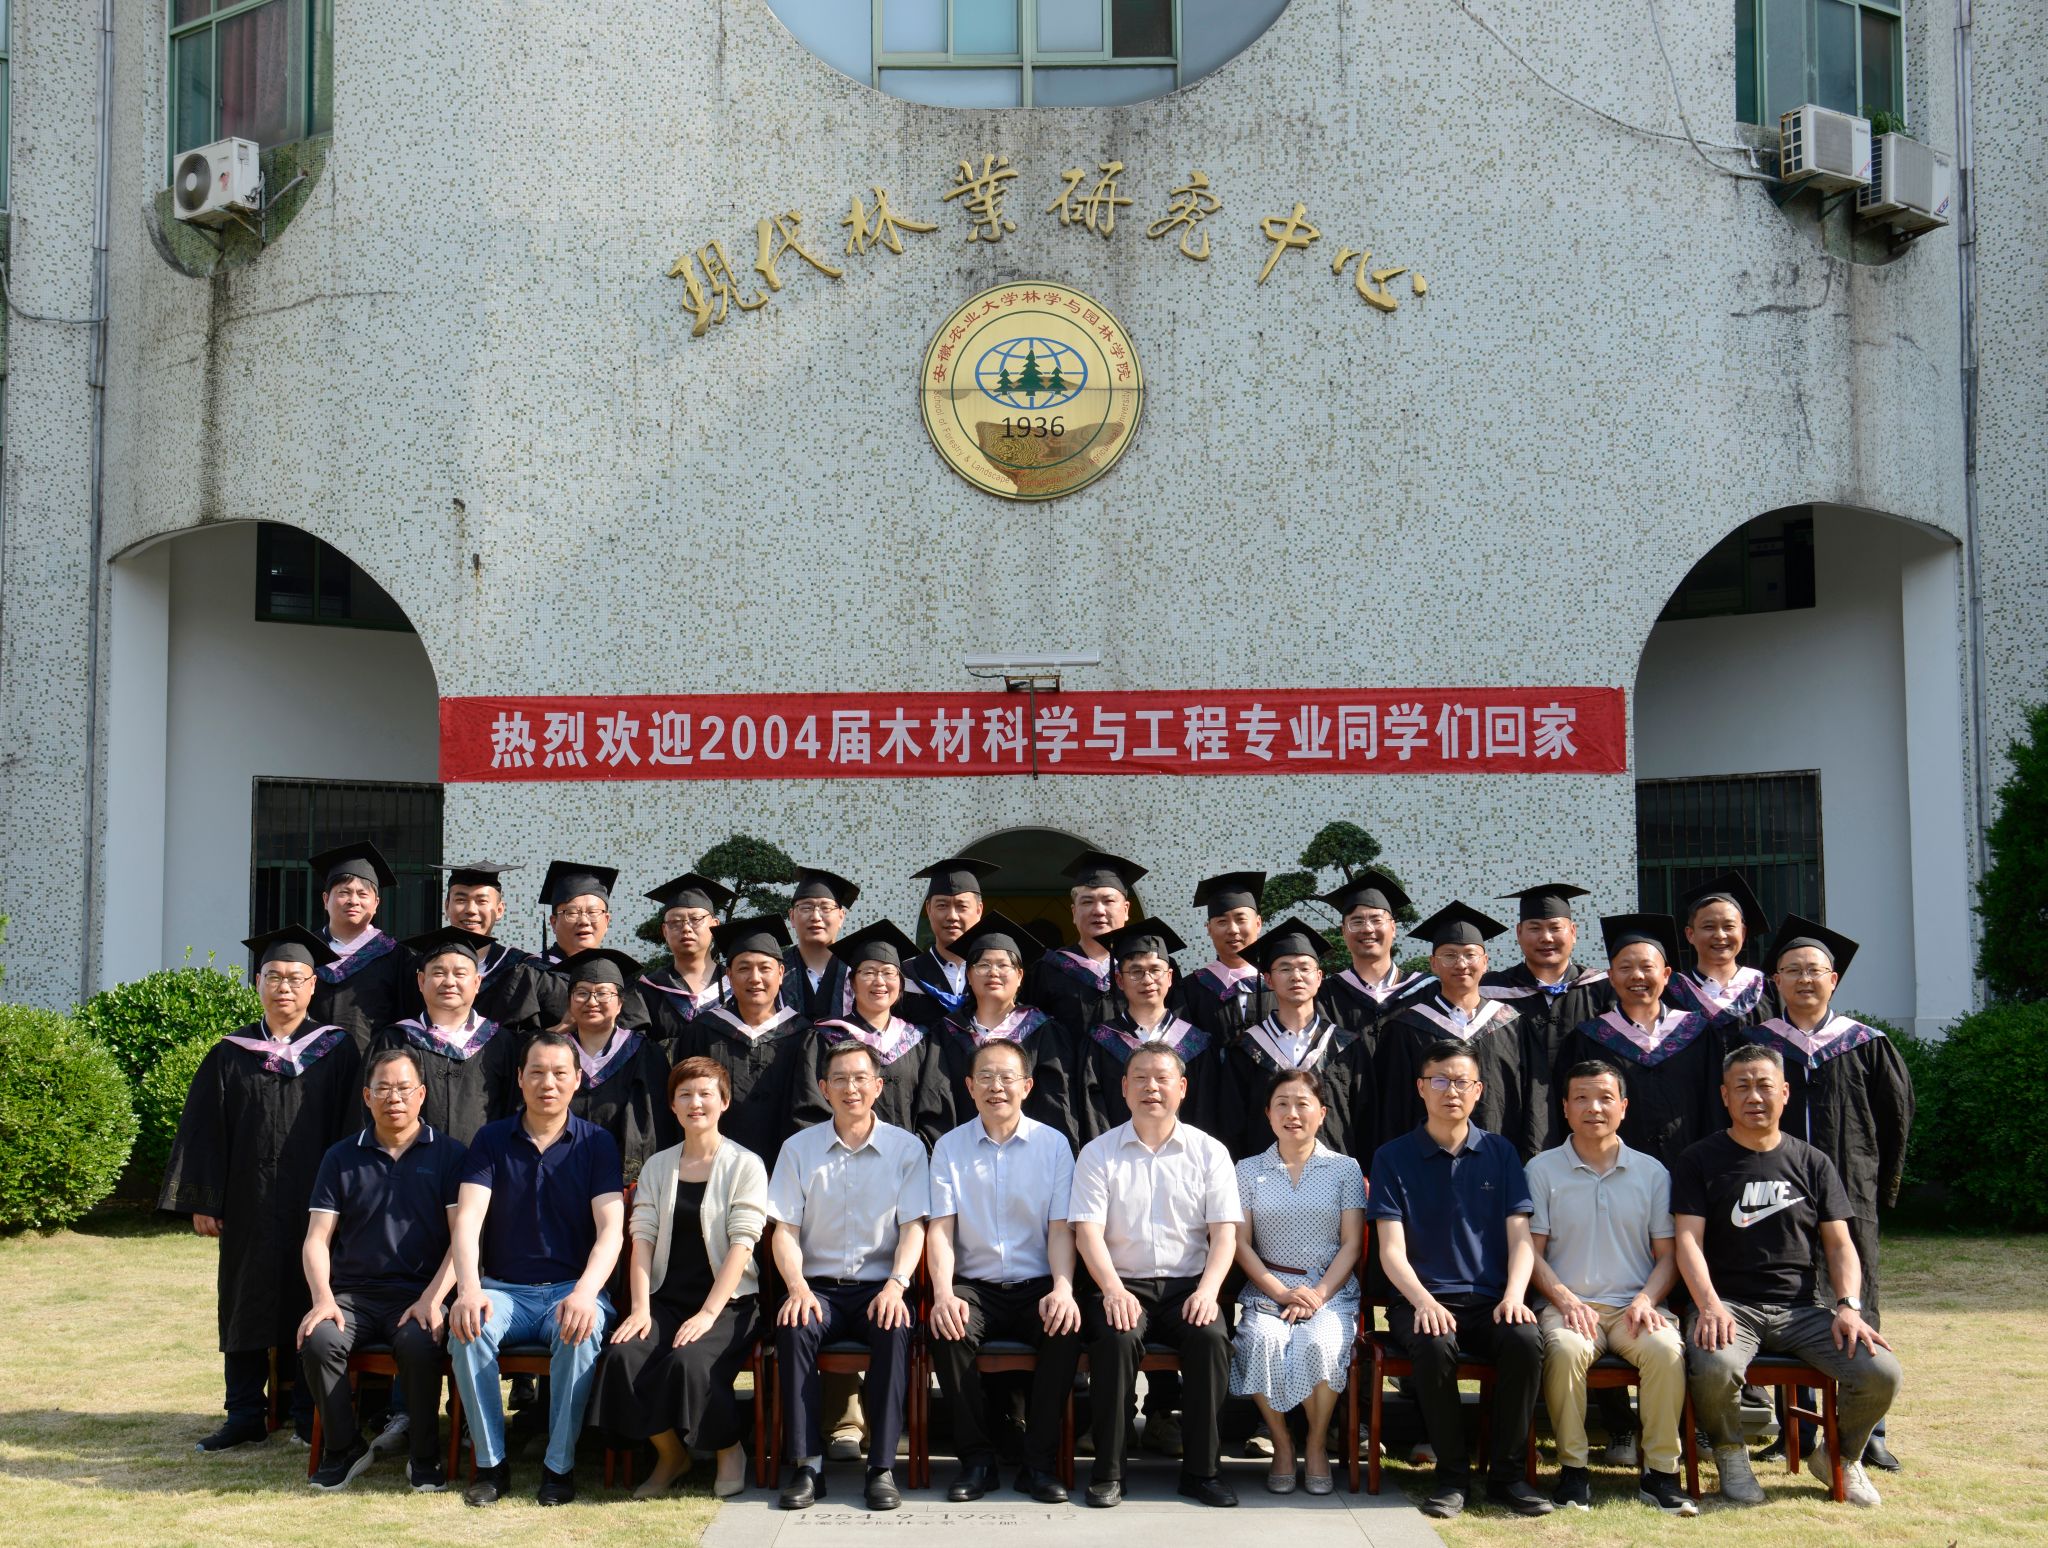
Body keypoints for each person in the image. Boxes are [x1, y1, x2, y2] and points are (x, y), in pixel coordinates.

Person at [1672, 1043, 1903, 1510]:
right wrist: (1709, 1305)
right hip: (1729, 1305)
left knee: (1881, 1371)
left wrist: (1848, 1306)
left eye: (1764, 1086)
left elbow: (1840, 1245)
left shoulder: (1813, 1162)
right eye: (1742, 1087)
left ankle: (1840, 1456)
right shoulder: (1699, 1160)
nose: (1754, 1097)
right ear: (1724, 1096)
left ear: (1785, 1093)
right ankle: (1731, 1453)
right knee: (1715, 1366)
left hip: (1801, 1310)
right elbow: (1687, 1241)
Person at [161, 925, 363, 1450]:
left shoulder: (337, 1050)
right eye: (274, 977)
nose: (284, 988)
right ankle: (245, 1413)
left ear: (313, 986)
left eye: (296, 978)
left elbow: (352, 1129)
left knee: (311, 1296)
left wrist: (350, 1197)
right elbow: (205, 1129)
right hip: (248, 1200)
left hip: (316, 1203)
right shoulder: (231, 1052)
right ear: (257, 983)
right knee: (244, 1300)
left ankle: (306, 1413)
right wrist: (204, 1200)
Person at [1750, 916, 1915, 1472]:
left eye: (1814, 971)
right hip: (1776, 1191)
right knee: (1788, 1297)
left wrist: (1877, 1186)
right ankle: (1792, 1428)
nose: (1804, 979)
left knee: (1856, 1296)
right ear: (1776, 980)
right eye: (1792, 970)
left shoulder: (1866, 1043)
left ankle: (1867, 1433)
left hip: (1850, 1189)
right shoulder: (1758, 1046)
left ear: (1833, 979)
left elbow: (1895, 1120)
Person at [1368, 1041, 1552, 1520]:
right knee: (1434, 1342)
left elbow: (1521, 1238)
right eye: (1440, 1080)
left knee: (1525, 1338)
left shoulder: (1501, 1153)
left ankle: (1508, 1476)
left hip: (1491, 1300)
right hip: (1420, 1300)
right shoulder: (1393, 1157)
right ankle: (1451, 1478)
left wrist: (1515, 1295)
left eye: (1461, 1082)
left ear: (1478, 1091)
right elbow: (1390, 1250)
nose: (1451, 1091)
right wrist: (1424, 1302)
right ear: (1421, 1088)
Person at [447, 1031, 626, 1507]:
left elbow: (611, 1229)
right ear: (521, 1078)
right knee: (468, 1328)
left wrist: (586, 1293)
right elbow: (468, 1221)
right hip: (504, 1290)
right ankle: (491, 1465)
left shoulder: (597, 1143)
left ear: (577, 1080)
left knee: (581, 1330)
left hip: (571, 1288)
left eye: (560, 1073)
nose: (549, 1083)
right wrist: (468, 1290)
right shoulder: (490, 1140)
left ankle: (558, 1466)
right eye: (538, 1072)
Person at [1068, 1043, 1243, 1509]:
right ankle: (1108, 1472)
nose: (1152, 1087)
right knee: (1116, 1338)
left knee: (1211, 1339)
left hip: (1190, 1287)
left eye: (1162, 1078)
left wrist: (1209, 1291)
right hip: (1122, 1284)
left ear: (1182, 1088)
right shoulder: (1098, 1153)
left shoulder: (1209, 1152)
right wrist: (1112, 1290)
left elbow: (1224, 1234)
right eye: (1141, 1078)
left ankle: (1203, 1472)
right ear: (1124, 1088)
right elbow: (1087, 1233)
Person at [1524, 1059, 1696, 1516]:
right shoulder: (1540, 1170)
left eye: (1605, 1098)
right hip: (1567, 1304)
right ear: (1565, 1107)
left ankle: (1661, 1473)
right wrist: (1564, 1299)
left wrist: (1646, 1299)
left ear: (1623, 1106)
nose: (1593, 1108)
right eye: (1581, 1098)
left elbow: (1668, 1255)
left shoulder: (1652, 1172)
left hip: (1634, 1307)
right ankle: (1573, 1470)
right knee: (1564, 1350)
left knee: (1666, 1351)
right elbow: (1530, 1253)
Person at [591, 1056, 768, 1500]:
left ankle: (729, 1449)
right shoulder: (658, 1166)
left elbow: (743, 1244)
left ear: (724, 1101)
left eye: (706, 1093)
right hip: (666, 1300)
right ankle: (671, 1455)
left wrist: (708, 1314)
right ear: (671, 1105)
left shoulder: (745, 1164)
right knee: (623, 1355)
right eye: (684, 1094)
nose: (695, 1103)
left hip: (729, 1304)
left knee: (689, 1361)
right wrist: (640, 1309)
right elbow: (641, 1239)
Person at [767, 1041, 930, 1512]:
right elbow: (784, 1230)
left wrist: (897, 1285)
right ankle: (808, 1466)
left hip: (882, 1287)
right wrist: (797, 1287)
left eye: (860, 1078)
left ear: (878, 1086)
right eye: (839, 1079)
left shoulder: (906, 1149)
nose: (850, 1088)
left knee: (895, 1327)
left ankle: (881, 1467)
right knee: (795, 1324)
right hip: (817, 1288)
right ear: (823, 1088)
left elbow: (913, 1228)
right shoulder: (798, 1149)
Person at [298, 1046, 467, 1491]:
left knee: (420, 1341)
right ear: (367, 1097)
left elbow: (462, 1241)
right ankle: (343, 1446)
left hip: (419, 1294)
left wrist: (432, 1299)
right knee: (319, 1340)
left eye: (404, 1089)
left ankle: (424, 1455)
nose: (394, 1098)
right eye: (384, 1089)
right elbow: (316, 1238)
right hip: (352, 1296)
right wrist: (323, 1299)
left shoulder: (449, 1155)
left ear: (422, 1094)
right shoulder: (341, 1157)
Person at [927, 1038, 1084, 1504]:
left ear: (1027, 1086)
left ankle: (1038, 1465)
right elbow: (941, 1229)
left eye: (1007, 1078)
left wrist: (1062, 1288)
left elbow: (1061, 1229)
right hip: (975, 1287)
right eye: (986, 1078)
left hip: (1038, 1284)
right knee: (948, 1329)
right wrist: (943, 1293)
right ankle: (976, 1461)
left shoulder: (1053, 1146)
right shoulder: (949, 1148)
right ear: (970, 1087)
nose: (997, 1087)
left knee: (1064, 1328)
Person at [1230, 1068, 1366, 1496]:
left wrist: (1318, 1295)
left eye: (1302, 1104)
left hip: (1330, 1291)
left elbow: (1352, 1243)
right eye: (1282, 1104)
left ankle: (1316, 1441)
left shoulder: (1344, 1169)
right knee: (1262, 1342)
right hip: (1269, 1290)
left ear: (1322, 1113)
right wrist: (1280, 1292)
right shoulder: (1247, 1170)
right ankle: (1282, 1443)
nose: (1292, 1113)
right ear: (1268, 1114)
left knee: (1318, 1344)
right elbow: (1240, 1243)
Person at [1550, 914, 1724, 1169]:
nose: (1637, 976)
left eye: (1647, 967)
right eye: (1625, 968)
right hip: (1613, 1173)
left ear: (1666, 975)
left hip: (1691, 1170)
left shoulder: (1698, 1033)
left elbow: (1716, 1108)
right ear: (1611, 977)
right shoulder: (1589, 1038)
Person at [1375, 903, 1534, 1157]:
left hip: (1499, 1158)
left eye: (1470, 955)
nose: (1461, 964)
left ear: (1485, 962)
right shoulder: (1406, 1028)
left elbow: (1532, 1100)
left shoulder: (1513, 1024)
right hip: (1426, 1162)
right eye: (1449, 956)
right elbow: (1394, 1106)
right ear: (1433, 964)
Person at [669, 916, 825, 1166]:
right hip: (714, 1167)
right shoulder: (702, 1032)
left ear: (781, 974)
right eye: (743, 968)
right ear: (729, 975)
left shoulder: (804, 1036)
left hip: (786, 1170)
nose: (755, 978)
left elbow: (811, 1113)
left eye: (765, 968)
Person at [916, 910, 1077, 1147]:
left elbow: (1057, 1102)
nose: (993, 972)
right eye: (983, 965)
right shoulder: (946, 1033)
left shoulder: (1043, 1031)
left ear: (1019, 976)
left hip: (1031, 1154)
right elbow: (935, 1100)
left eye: (1003, 965)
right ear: (969, 975)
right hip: (962, 1155)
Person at [1225, 918, 1373, 1160]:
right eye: (1285, 969)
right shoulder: (1246, 1049)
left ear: (1319, 977)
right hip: (1263, 1176)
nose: (1296, 976)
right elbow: (1232, 1123)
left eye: (1305, 968)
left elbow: (1366, 1119)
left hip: (1337, 1174)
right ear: (1269, 980)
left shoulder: (1346, 1046)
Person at [1482, 884, 1614, 1154]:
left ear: (1573, 932)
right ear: (1519, 933)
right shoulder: (1491, 992)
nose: (1546, 937)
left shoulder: (1602, 989)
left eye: (1555, 928)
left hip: (1589, 1123)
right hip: (1514, 1122)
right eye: (1534, 928)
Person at [1075, 917, 1224, 1145]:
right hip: (1117, 1155)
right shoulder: (1101, 1042)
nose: (1147, 980)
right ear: (1120, 980)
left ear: (1170, 977)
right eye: (1136, 972)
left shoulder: (1195, 1042)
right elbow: (1092, 1110)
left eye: (1156, 970)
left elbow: (1206, 1112)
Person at [369, 927, 519, 1143]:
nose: (449, 982)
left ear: (476, 983)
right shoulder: (395, 1040)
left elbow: (513, 1111)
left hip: (482, 1162)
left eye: (460, 974)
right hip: (410, 1161)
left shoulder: (500, 1042)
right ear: (421, 981)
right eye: (439, 973)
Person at [554, 947, 678, 1183]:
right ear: (569, 1001)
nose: (592, 1001)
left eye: (603, 993)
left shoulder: (645, 1053)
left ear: (620, 1003)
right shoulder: (552, 1054)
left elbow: (659, 1124)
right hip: (560, 1176)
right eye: (581, 993)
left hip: (625, 1185)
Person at [812, 921, 932, 1136]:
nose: (879, 981)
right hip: (842, 1152)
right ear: (852, 983)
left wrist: (917, 1151)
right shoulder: (826, 1038)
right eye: (868, 972)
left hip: (908, 1154)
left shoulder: (918, 1040)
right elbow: (812, 1106)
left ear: (900, 984)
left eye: (888, 973)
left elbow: (932, 1109)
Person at [1022, 850, 1144, 1040]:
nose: (1098, 910)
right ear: (1073, 912)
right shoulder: (1047, 970)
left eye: (1108, 901)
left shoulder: (1149, 969)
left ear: (1126, 909)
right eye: (1087, 902)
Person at [306, 842, 415, 1045]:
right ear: (325, 899)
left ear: (376, 904)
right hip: (309, 1061)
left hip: (373, 1061)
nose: (353, 900)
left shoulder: (396, 956)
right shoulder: (306, 950)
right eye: (344, 892)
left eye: (362, 894)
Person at [533, 861, 653, 1030]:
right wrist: (562, 1029)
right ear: (553, 922)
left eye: (593, 912)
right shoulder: (532, 973)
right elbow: (514, 1041)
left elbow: (636, 1037)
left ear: (607, 920)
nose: (584, 921)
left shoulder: (621, 976)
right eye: (571, 912)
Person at [1314, 871, 1434, 1039]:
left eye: (1376, 920)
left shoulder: (1429, 991)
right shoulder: (1324, 995)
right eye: (1357, 922)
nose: (1367, 929)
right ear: (1343, 931)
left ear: (1393, 928)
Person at [433, 862, 547, 1031]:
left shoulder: (523, 968)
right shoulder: (423, 967)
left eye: (482, 901)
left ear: (499, 910)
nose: (471, 910)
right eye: (461, 900)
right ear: (446, 907)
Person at [1663, 872, 1776, 1033]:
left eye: (1729, 926)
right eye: (1709, 927)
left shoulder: (1766, 991)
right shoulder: (1670, 993)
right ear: (1690, 934)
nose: (1720, 935)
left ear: (1743, 932)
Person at [639, 872, 737, 1049]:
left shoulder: (736, 985)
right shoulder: (647, 991)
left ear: (714, 926)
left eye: (695, 919)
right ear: (665, 931)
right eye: (676, 921)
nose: (686, 928)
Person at [901, 856, 997, 1028]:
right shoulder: (906, 976)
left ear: (979, 910)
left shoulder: (997, 975)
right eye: (942, 906)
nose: (952, 916)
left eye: (962, 906)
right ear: (928, 909)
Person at [1179, 871, 1273, 1044]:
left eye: (1240, 920)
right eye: (1222, 922)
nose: (1233, 930)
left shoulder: (1276, 983)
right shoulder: (1189, 989)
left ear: (1258, 923)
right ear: (1209, 929)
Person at [780, 866, 860, 1021]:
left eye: (826, 908)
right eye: (806, 907)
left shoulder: (857, 970)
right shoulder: (775, 970)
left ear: (841, 917)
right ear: (792, 917)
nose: (816, 917)